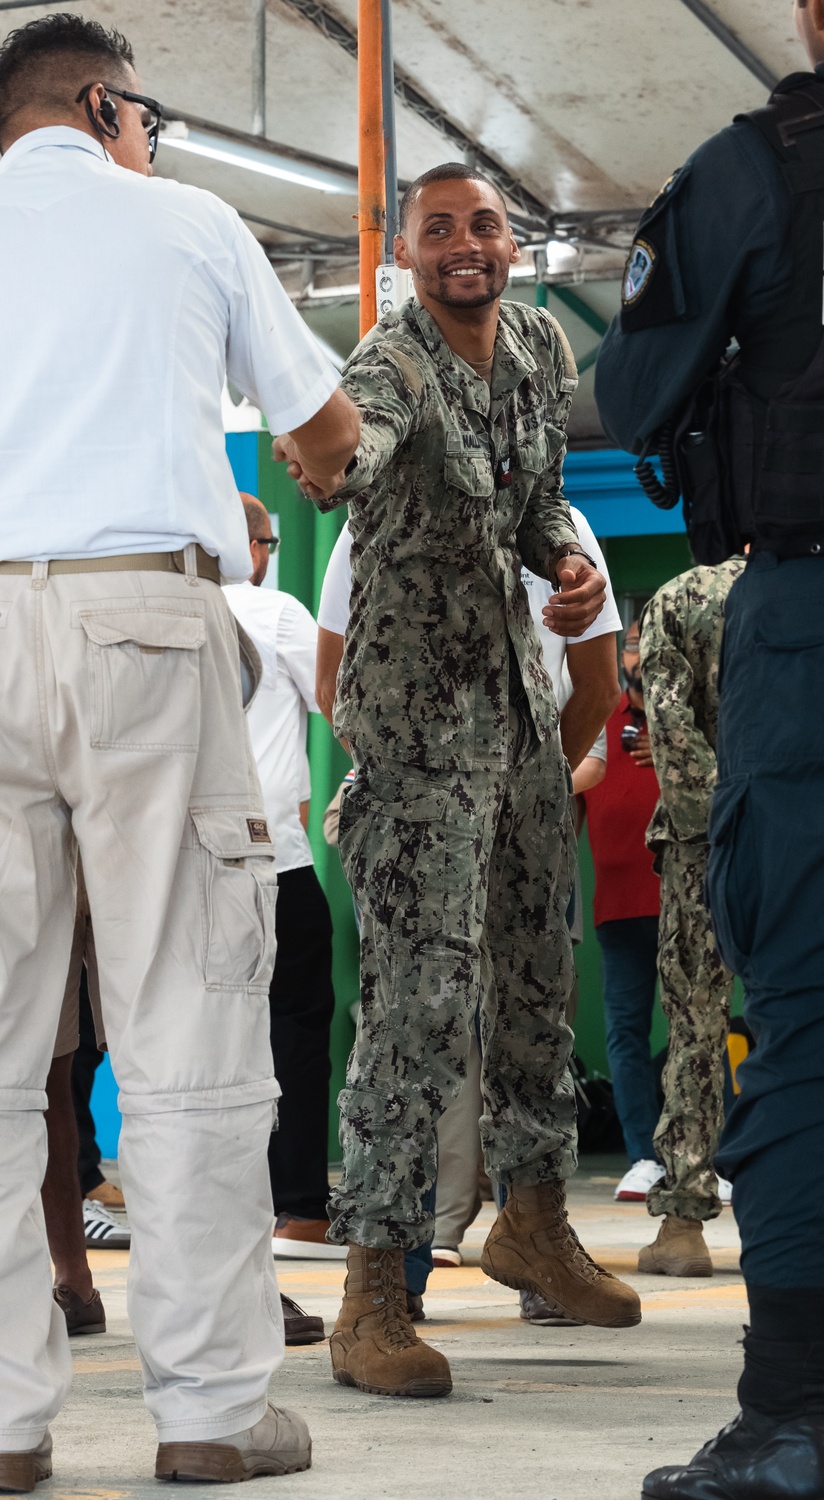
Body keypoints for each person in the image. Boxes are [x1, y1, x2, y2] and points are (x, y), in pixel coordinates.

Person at [0, 14, 359, 1492]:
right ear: (108, 103)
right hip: (151, 621)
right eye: (150, 117)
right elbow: (328, 436)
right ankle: (208, 1412)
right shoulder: (187, 225)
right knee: (189, 1024)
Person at [276, 160, 639, 1404]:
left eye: (482, 226)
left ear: (513, 244)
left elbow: (536, 507)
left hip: (518, 722)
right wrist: (325, 453)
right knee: (418, 1011)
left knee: (542, 978)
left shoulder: (540, 349)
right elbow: (349, 453)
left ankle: (534, 1226)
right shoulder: (387, 362)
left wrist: (570, 573)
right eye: (438, 232)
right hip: (421, 739)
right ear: (409, 255)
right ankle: (375, 1296)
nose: (463, 247)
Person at [596, 3, 824, 1491]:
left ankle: (795, 1414)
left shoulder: (764, 167)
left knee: (803, 1013)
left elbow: (633, 395)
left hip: (812, 612)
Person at [314, 505, 621, 1309]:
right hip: (418, 812)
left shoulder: (562, 532)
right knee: (414, 1029)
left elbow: (596, 684)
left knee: (536, 1022)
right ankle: (388, 1280)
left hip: (529, 813)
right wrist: (420, 784)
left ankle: (536, 1241)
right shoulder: (373, 520)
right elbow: (331, 681)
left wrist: (529, 783)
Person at [224, 496, 338, 1271]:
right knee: (295, 1029)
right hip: (273, 852)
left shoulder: (159, 609)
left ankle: (220, 1212)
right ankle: (298, 1208)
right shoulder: (275, 611)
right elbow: (342, 697)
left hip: (175, 860)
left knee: (202, 1040)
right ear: (256, 547)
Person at [634, 559, 745, 1280]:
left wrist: (727, 816)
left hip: (707, 843)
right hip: (806, 833)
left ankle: (684, 1219)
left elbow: (670, 731)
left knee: (699, 1023)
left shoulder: (681, 597)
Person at [582, 622, 664, 1203]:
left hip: (687, 902)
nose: (637, 656)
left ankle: (712, 1158)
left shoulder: (691, 723)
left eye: (645, 644)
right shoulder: (596, 722)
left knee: (697, 1032)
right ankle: (644, 1157)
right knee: (627, 1035)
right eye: (631, 644)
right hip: (617, 908)